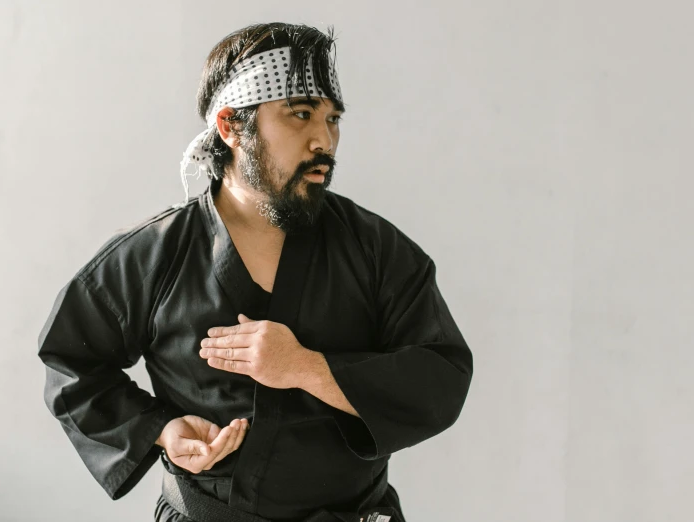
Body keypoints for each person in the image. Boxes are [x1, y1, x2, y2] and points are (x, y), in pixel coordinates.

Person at [38, 22, 473, 522]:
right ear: (230, 127)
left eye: (333, 119)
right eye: (301, 114)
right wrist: (160, 428)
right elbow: (70, 363)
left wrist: (306, 368)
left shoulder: (374, 248)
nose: (324, 140)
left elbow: (442, 374)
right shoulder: (154, 255)